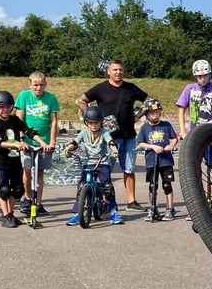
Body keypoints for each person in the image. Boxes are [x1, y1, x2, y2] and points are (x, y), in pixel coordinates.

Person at [75, 59, 148, 211]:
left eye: (120, 70)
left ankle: (131, 201)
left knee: (129, 169)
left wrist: (139, 115)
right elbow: (81, 100)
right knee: (104, 171)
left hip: (128, 136)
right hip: (107, 138)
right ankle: (104, 202)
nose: (118, 72)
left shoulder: (131, 88)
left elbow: (149, 100)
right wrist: (88, 116)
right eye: (115, 70)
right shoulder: (101, 88)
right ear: (109, 71)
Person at [64, 106, 123, 226]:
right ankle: (77, 214)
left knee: (107, 186)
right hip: (88, 162)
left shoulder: (104, 132)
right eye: (90, 123)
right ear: (86, 123)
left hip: (102, 162)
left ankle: (113, 212)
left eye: (96, 122)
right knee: (81, 186)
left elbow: (110, 142)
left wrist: (114, 150)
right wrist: (68, 149)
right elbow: (75, 142)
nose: (93, 125)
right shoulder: (84, 132)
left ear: (100, 122)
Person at [0, 90, 36, 228]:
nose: (5, 110)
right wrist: (16, 144)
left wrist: (44, 144)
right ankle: (5, 215)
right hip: (1, 162)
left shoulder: (15, 120)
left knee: (18, 190)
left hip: (15, 161)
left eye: (8, 107)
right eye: (1, 107)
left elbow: (28, 132)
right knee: (4, 189)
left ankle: (10, 213)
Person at [14, 72, 58, 215]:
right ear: (30, 85)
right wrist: (20, 139)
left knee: (40, 172)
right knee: (27, 169)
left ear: (45, 85)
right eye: (35, 85)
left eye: (41, 85)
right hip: (27, 140)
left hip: (44, 141)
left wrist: (52, 141)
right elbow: (18, 120)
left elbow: (53, 121)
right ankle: (27, 198)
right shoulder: (24, 96)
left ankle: (38, 202)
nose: (38, 88)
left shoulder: (51, 98)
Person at [136, 98, 179, 221]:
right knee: (152, 185)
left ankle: (170, 208)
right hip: (151, 160)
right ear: (147, 115)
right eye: (152, 113)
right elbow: (140, 143)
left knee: (167, 185)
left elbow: (174, 138)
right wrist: (153, 147)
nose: (155, 114)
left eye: (157, 112)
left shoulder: (166, 125)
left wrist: (170, 146)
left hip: (165, 160)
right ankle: (152, 208)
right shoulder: (145, 128)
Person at [176, 59, 212, 138]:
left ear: (209, 74)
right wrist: (183, 131)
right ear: (195, 76)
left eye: (205, 75)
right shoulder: (189, 88)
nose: (203, 79)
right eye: (200, 76)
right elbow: (181, 110)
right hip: (194, 133)